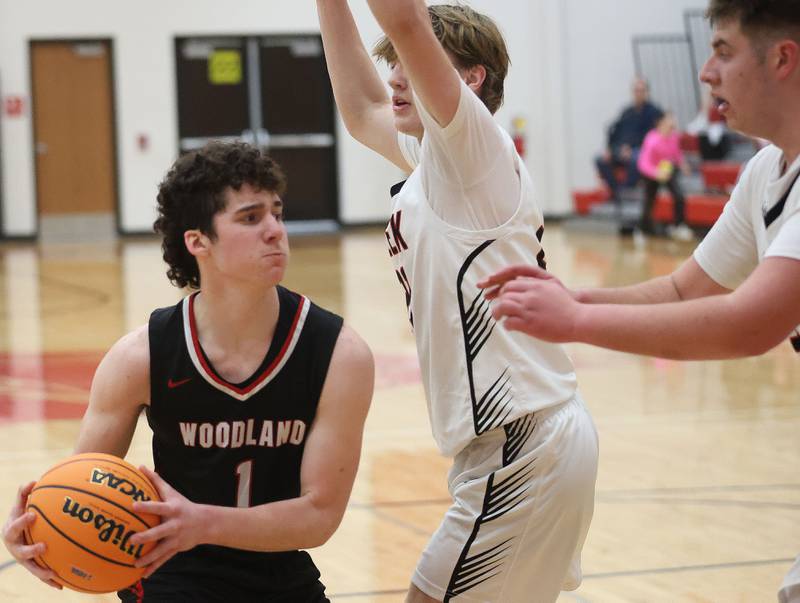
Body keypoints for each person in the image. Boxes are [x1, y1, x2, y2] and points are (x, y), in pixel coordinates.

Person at [479, 1, 800, 600]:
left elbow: (748, 325)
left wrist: (575, 320)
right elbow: (685, 288)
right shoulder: (765, 172)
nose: (707, 73)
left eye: (724, 52)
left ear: (782, 58)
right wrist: (575, 294)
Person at [1, 141, 374, 601]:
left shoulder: (338, 353)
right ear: (198, 242)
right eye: (250, 217)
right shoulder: (141, 357)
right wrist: (36, 530)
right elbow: (80, 487)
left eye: (277, 212)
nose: (276, 230)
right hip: (169, 575)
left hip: (281, 575)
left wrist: (201, 522)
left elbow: (320, 515)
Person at [317, 2, 598, 602]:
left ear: (469, 80)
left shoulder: (473, 148)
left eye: (406, 63)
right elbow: (361, 109)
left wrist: (404, 32)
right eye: (390, 63)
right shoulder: (438, 164)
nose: (394, 75)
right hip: (518, 440)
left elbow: (407, 21)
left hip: (525, 441)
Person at [595, 78, 663, 203]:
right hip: (621, 149)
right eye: (636, 91)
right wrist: (610, 149)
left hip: (641, 150)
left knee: (636, 158)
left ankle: (625, 191)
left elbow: (652, 137)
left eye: (641, 91)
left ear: (647, 92)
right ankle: (616, 192)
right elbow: (614, 131)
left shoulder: (655, 112)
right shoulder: (626, 112)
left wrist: (631, 148)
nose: (639, 93)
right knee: (600, 159)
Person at [637, 111, 694, 240]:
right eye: (670, 119)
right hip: (651, 173)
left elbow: (677, 153)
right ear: (660, 123)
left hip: (667, 170)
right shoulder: (651, 139)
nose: (673, 122)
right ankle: (642, 230)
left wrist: (683, 164)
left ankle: (678, 226)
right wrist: (655, 173)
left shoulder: (674, 137)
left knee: (679, 196)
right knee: (649, 202)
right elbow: (643, 163)